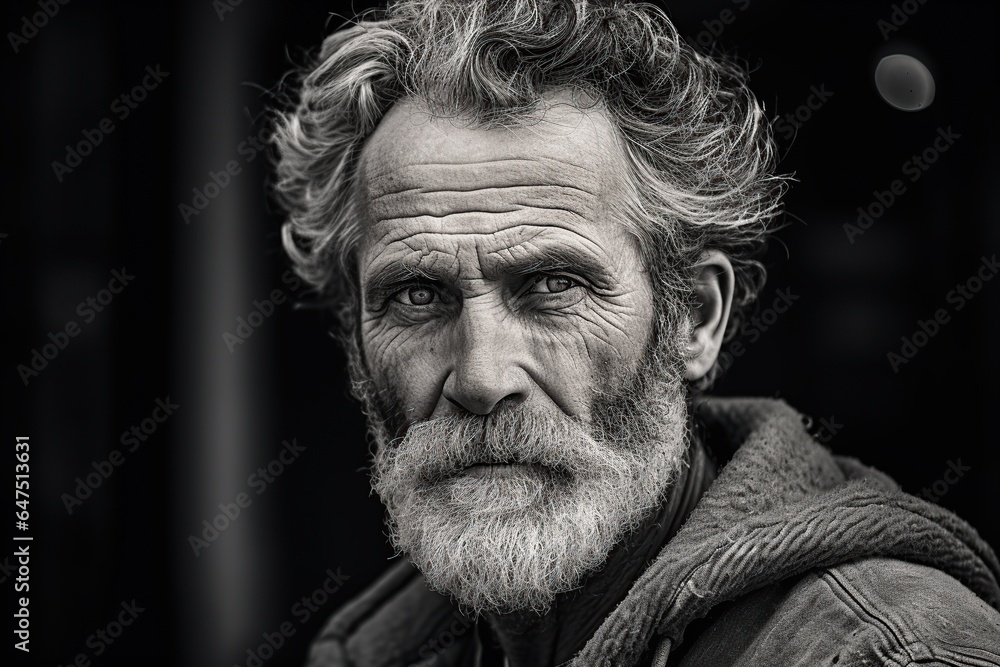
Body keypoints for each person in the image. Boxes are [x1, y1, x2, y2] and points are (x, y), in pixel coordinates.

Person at [271, 1, 1000, 664]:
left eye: (554, 286)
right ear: (355, 340)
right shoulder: (371, 651)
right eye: (416, 294)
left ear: (695, 318)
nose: (482, 377)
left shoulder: (886, 652)